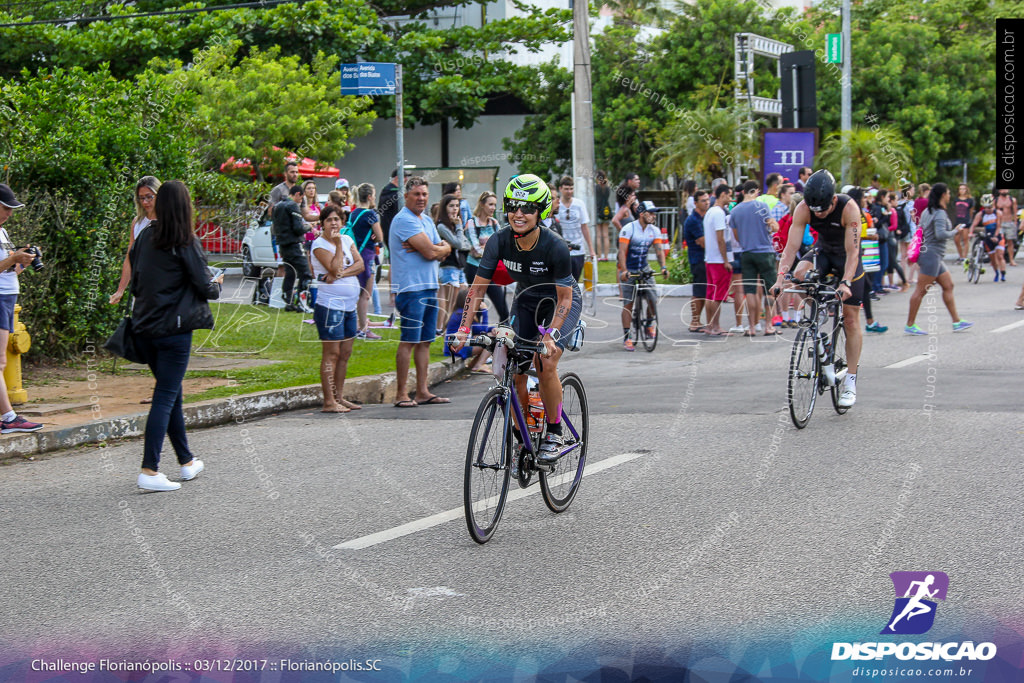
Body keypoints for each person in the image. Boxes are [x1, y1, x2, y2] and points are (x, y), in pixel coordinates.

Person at [452, 174, 582, 465]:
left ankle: (554, 432)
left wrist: (549, 335)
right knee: (511, 366)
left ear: (541, 211)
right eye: (512, 206)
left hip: (561, 301)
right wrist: (463, 327)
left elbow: (565, 299)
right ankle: (523, 435)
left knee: (544, 361)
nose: (518, 214)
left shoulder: (555, 246)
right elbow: (477, 288)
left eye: (527, 208)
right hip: (527, 298)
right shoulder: (499, 241)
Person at [130, 180, 222, 491]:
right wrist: (217, 283)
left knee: (171, 392)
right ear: (184, 207)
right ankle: (149, 469)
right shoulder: (185, 240)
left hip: (145, 328)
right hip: (174, 330)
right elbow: (205, 286)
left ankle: (186, 461)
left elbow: (135, 283)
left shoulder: (144, 237)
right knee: (165, 395)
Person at [774, 170, 865, 408]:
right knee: (799, 274)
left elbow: (853, 252)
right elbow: (791, 248)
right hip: (823, 251)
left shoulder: (849, 208)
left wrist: (845, 282)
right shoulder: (804, 208)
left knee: (851, 320)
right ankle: (817, 310)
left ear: (833, 200)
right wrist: (780, 278)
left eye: (823, 210)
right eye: (816, 211)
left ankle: (851, 383)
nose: (820, 214)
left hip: (847, 257)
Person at [388, 176, 452, 408]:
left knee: (425, 341)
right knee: (409, 340)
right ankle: (401, 393)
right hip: (411, 288)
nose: (421, 198)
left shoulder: (425, 220)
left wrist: (440, 247)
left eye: (424, 194)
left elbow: (444, 249)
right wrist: (436, 248)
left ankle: (423, 391)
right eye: (416, 194)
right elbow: (430, 252)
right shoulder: (404, 220)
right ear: (406, 196)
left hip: (429, 286)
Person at [311, 204, 365, 412]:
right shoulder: (319, 245)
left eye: (337, 219)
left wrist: (341, 273)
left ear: (343, 222)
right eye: (329, 220)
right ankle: (328, 401)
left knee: (345, 352)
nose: (334, 223)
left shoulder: (348, 239)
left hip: (349, 305)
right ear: (322, 223)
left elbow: (360, 265)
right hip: (329, 306)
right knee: (331, 353)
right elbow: (333, 267)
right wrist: (337, 246)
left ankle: (339, 396)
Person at [0, 183, 44, 434]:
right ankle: (8, 417)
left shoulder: (3, 232)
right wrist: (14, 258)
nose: (10, 213)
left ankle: (7, 416)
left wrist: (24, 261)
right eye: (6, 208)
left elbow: (7, 269)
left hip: (6, 296)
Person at [904, 183, 973, 335]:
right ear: (943, 195)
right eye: (948, 193)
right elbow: (940, 234)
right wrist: (955, 231)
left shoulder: (928, 211)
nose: (949, 195)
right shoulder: (939, 213)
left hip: (932, 255)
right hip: (931, 255)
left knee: (948, 285)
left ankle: (956, 322)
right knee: (920, 291)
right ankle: (910, 324)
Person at [731, 180, 780, 336]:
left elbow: (736, 236)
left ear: (744, 192)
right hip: (765, 252)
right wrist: (771, 228)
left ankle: (752, 327)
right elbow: (773, 226)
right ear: (757, 191)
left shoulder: (735, 211)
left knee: (750, 291)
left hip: (747, 253)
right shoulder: (762, 206)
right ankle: (768, 326)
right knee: (769, 290)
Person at [617, 200, 668, 350]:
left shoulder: (654, 230)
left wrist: (663, 267)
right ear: (641, 214)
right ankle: (627, 336)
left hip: (643, 267)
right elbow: (621, 252)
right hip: (628, 266)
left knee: (653, 298)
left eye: (654, 213)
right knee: (628, 303)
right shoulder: (628, 229)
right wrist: (624, 271)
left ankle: (648, 323)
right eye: (650, 213)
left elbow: (659, 251)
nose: (653, 216)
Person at [110, 176, 160, 305]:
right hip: (142, 291)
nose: (145, 202)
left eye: (149, 197)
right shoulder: (138, 223)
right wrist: (120, 290)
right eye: (141, 198)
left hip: (163, 291)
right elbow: (130, 257)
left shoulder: (169, 222)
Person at [463, 191, 509, 323]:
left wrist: (488, 250)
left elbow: (502, 246)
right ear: (482, 205)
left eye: (495, 205)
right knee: (478, 307)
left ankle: (503, 336)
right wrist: (492, 251)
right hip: (475, 269)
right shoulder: (472, 223)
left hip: (492, 270)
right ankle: (478, 337)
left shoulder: (494, 223)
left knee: (503, 308)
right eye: (490, 204)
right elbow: (476, 249)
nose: (493, 208)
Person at [347, 183, 385, 338]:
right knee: (365, 294)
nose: (374, 198)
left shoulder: (353, 213)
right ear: (369, 197)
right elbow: (380, 236)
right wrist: (376, 235)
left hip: (354, 254)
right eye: (374, 195)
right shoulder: (370, 214)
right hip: (367, 256)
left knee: (356, 293)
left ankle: (356, 325)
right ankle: (363, 329)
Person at [272, 184, 312, 312]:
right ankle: (302, 303)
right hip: (294, 244)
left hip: (283, 245)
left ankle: (288, 300)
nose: (301, 202)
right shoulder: (292, 206)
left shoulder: (277, 206)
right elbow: (298, 228)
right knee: (305, 274)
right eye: (301, 199)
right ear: (297, 194)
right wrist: (308, 227)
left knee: (290, 273)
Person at [702, 184, 735, 337]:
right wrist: (725, 260)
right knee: (718, 295)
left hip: (710, 259)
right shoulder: (719, 213)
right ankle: (716, 326)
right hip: (718, 260)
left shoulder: (710, 212)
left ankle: (710, 325)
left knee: (711, 294)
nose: (730, 198)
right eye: (729, 195)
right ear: (722, 195)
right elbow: (720, 239)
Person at [435, 194, 468, 336]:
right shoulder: (442, 226)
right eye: (451, 206)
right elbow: (459, 244)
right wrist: (460, 227)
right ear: (444, 208)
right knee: (451, 303)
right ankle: (444, 331)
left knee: (459, 302)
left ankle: (446, 330)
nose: (455, 209)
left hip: (459, 267)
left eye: (457, 205)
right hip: (448, 267)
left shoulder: (455, 225)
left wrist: (458, 228)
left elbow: (465, 244)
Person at [555, 176, 596, 281]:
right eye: (566, 189)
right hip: (561, 250)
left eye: (571, 189)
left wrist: (591, 250)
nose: (569, 191)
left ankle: (573, 298)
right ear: (560, 189)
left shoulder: (579, 204)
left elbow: (584, 227)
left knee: (575, 281)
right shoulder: (556, 205)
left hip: (578, 250)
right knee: (562, 280)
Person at [683, 189, 709, 332]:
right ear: (695, 203)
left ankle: (697, 320)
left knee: (703, 291)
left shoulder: (705, 217)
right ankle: (694, 321)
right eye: (703, 201)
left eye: (707, 200)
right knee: (698, 291)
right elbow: (703, 241)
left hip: (704, 258)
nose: (706, 203)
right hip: (698, 258)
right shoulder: (693, 220)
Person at [969, 194, 1006, 280]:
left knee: (1000, 255)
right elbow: (973, 224)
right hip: (988, 236)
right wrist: (970, 233)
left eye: (989, 207)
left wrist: (996, 236)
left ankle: (1003, 273)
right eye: (986, 207)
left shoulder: (998, 213)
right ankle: (996, 273)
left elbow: (999, 226)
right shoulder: (980, 214)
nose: (988, 209)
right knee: (992, 258)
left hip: (998, 235)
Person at [378, 168, 407, 246]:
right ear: (398, 178)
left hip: (391, 229)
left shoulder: (389, 191)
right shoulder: (390, 192)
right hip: (391, 230)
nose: (406, 180)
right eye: (405, 177)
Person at [995, 189, 1019, 267]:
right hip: (1000, 223)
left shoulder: (1012, 200)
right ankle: (999, 259)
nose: (1004, 191)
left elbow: (1015, 212)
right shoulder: (996, 200)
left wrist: (1015, 222)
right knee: (1000, 241)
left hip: (1009, 222)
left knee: (1010, 242)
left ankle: (1011, 259)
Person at [593, 171, 613, 261]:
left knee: (598, 235)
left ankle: (599, 256)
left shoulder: (596, 188)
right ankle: (606, 256)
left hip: (598, 212)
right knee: (606, 235)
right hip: (606, 211)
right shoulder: (607, 188)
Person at [952, 183, 975, 261]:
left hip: (966, 221)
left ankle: (964, 257)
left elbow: (971, 211)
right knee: (956, 239)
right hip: (957, 221)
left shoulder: (970, 200)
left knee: (965, 239)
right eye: (960, 189)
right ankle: (960, 255)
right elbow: (954, 210)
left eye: (963, 189)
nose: (962, 190)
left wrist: (970, 220)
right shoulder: (956, 199)